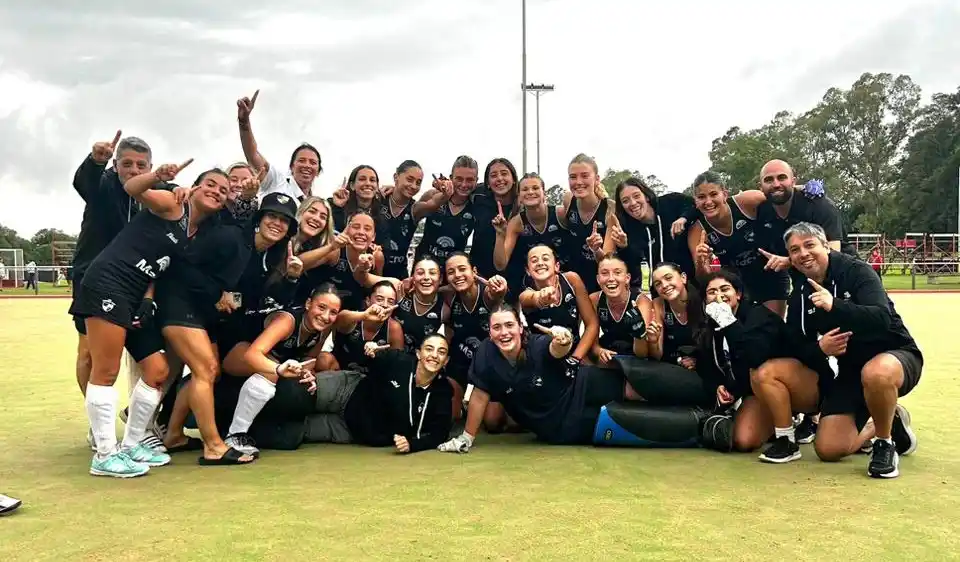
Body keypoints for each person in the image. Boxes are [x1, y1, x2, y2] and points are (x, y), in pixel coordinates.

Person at [70, 157, 226, 477]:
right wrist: (156, 176)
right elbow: (132, 187)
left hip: (134, 297)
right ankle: (104, 454)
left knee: (157, 370)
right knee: (106, 370)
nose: (216, 191)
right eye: (210, 184)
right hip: (108, 284)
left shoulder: (195, 232)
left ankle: (131, 444)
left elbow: (157, 267)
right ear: (195, 187)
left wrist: (148, 299)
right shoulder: (173, 204)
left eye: (223, 190)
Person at [783, 222, 920, 478]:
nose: (803, 253)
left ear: (826, 245)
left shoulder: (857, 271)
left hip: (895, 356)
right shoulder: (800, 292)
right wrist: (820, 348)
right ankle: (887, 420)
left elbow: (881, 318)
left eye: (809, 245)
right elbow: (795, 343)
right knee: (828, 449)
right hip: (851, 371)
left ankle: (884, 443)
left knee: (876, 373)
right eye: (794, 250)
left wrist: (834, 305)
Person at [437, 305, 628, 451]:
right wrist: (467, 437)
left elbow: (556, 349)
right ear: (490, 333)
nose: (504, 333)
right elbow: (479, 396)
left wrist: (565, 340)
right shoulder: (485, 354)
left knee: (632, 388)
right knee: (624, 421)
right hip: (561, 423)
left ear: (521, 328)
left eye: (509, 325)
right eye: (497, 327)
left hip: (579, 384)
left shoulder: (536, 344)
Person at [69, 132, 157, 449]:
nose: (133, 170)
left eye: (140, 165)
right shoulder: (104, 184)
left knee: (145, 357)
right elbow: (85, 183)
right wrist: (96, 161)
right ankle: (98, 425)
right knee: (90, 354)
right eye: (127, 164)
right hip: (93, 279)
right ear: (116, 165)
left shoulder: (154, 194)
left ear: (150, 167)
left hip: (135, 283)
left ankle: (142, 427)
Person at [696, 269, 826, 459]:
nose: (719, 296)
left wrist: (729, 323)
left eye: (725, 289)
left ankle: (787, 441)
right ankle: (779, 422)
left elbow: (754, 356)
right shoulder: (711, 328)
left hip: (805, 384)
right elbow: (710, 367)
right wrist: (722, 388)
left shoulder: (759, 316)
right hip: (762, 390)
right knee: (744, 440)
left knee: (763, 372)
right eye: (712, 292)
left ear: (738, 294)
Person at [218, 284, 342, 457]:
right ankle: (235, 436)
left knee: (305, 374)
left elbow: (308, 359)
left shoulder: (324, 328)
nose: (326, 316)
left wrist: (307, 373)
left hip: (271, 363)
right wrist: (278, 368)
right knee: (271, 369)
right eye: (321, 307)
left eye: (333, 312)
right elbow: (252, 354)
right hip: (236, 351)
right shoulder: (287, 321)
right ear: (308, 304)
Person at [296, 334, 453, 453]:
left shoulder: (443, 391)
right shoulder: (399, 360)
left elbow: (439, 433)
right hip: (346, 390)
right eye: (429, 349)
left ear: (446, 360)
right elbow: (361, 354)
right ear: (418, 354)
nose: (434, 355)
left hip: (350, 430)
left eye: (441, 352)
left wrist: (412, 445)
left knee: (292, 435)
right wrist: (368, 349)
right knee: (297, 393)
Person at [687, 171, 789, 316]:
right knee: (746, 328)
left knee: (772, 325)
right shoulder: (697, 231)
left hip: (770, 274)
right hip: (738, 287)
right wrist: (700, 262)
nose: (708, 202)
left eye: (714, 194)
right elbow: (703, 278)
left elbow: (783, 195)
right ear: (695, 201)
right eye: (701, 197)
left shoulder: (747, 201)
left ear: (725, 194)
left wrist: (807, 189)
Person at [602, 177, 697, 295]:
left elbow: (695, 204)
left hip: (684, 285)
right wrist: (624, 247)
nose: (633, 203)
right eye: (625, 201)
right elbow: (633, 267)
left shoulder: (669, 203)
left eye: (636, 196)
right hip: (654, 291)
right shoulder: (627, 227)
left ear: (646, 196)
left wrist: (684, 218)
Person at [443, 252, 509, 415]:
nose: (457, 275)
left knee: (493, 420)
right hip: (461, 360)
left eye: (462, 269)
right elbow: (428, 290)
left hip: (490, 363)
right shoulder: (449, 295)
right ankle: (461, 404)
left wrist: (500, 287)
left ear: (474, 271)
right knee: (450, 412)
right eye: (451, 272)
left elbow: (498, 294)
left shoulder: (487, 294)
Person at [237, 90, 322, 201]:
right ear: (292, 167)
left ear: (318, 171)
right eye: (302, 160)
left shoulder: (313, 205)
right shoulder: (277, 181)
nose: (307, 165)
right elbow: (252, 155)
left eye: (313, 163)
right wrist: (244, 122)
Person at [492, 173, 570, 294]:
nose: (530, 192)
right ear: (519, 196)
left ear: (544, 193)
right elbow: (500, 265)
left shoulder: (560, 214)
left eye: (535, 188)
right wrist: (500, 235)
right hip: (535, 284)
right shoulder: (517, 223)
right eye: (525, 189)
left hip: (565, 278)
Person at [561, 154, 616, 294]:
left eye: (585, 176)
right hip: (572, 282)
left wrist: (596, 249)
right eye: (573, 177)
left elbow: (608, 263)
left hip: (599, 285)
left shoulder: (610, 209)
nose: (578, 182)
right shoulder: (568, 200)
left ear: (597, 179)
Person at [416, 156, 479, 268]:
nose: (464, 184)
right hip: (425, 268)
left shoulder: (476, 205)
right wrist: (394, 191)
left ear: (476, 181)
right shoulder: (433, 196)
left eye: (470, 180)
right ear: (451, 178)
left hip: (453, 271)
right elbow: (411, 217)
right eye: (459, 179)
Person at [590, 255, 652, 365]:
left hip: (635, 356)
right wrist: (599, 351)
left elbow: (642, 353)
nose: (611, 278)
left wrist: (638, 332)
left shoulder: (641, 301)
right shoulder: (594, 299)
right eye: (604, 273)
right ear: (598, 279)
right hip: (608, 350)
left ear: (627, 278)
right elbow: (592, 341)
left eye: (617, 273)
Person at [330, 280, 404, 373]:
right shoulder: (355, 317)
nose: (385, 305)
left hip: (373, 377)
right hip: (342, 372)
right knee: (324, 359)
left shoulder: (394, 328)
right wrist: (364, 315)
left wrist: (382, 354)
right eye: (379, 299)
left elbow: (399, 362)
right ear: (368, 301)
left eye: (390, 301)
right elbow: (339, 318)